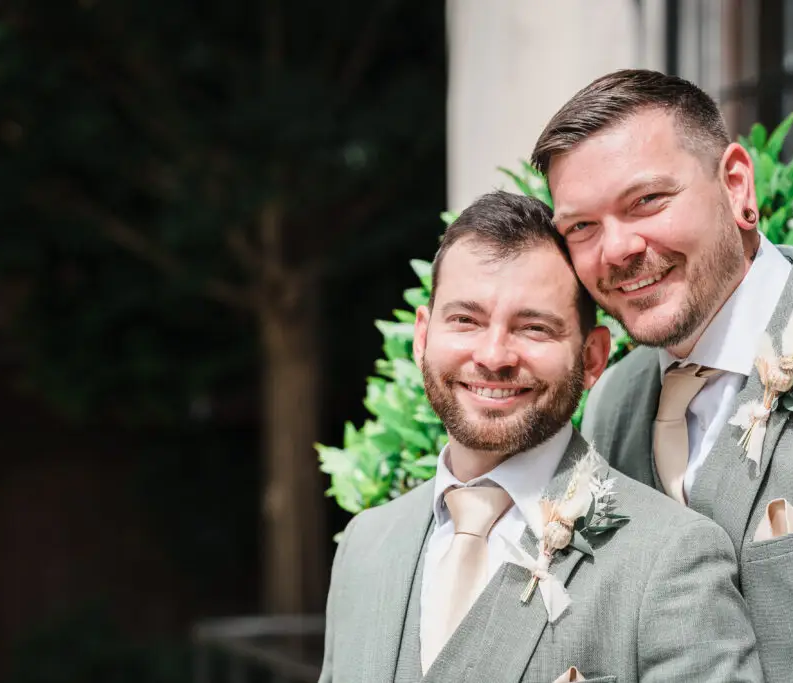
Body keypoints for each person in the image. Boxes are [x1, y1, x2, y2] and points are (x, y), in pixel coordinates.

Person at [531, 68, 793, 682]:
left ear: (736, 185)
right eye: (582, 227)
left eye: (647, 201)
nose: (618, 249)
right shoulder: (614, 406)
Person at [318, 191, 763, 682]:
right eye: (465, 320)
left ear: (592, 358)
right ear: (423, 337)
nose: (493, 356)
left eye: (533, 328)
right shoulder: (365, 543)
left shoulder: (672, 559)